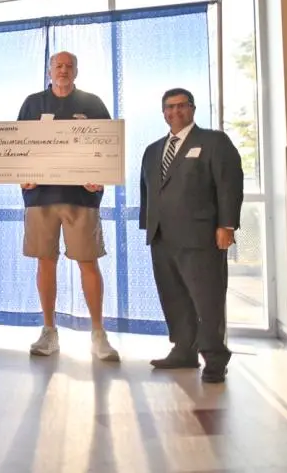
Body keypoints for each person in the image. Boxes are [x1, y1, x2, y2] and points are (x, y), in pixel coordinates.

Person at [17, 50, 119, 361]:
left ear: (76, 70)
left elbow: (108, 146)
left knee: (88, 262)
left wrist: (100, 177)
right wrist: (23, 176)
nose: (63, 70)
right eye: (58, 65)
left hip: (81, 198)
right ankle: (49, 331)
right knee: (45, 262)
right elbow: (17, 147)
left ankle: (98, 334)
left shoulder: (93, 104)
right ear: (49, 70)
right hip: (41, 198)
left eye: (69, 66)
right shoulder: (32, 103)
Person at [139, 88, 243, 383]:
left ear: (192, 109)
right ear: (163, 113)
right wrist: (149, 227)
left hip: (201, 238)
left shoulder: (213, 142)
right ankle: (183, 349)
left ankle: (214, 358)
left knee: (207, 299)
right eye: (169, 107)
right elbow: (147, 191)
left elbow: (229, 185)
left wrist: (227, 226)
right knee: (174, 297)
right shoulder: (152, 150)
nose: (175, 112)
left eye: (181, 106)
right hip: (162, 239)